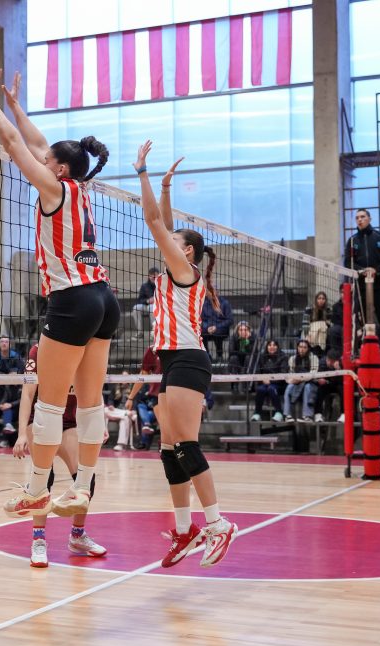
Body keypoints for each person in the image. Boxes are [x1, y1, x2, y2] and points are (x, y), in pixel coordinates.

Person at [0, 68, 119, 520]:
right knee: (91, 404)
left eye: (48, 161)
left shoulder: (52, 188)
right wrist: (16, 105)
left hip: (72, 301)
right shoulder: (79, 186)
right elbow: (39, 143)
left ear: (59, 170)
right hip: (103, 299)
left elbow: (15, 145)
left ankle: (36, 489)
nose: (41, 161)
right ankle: (80, 488)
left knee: (50, 403)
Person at [134, 141, 237, 568]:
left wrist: (141, 172)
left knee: (186, 445)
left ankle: (218, 524)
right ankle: (184, 530)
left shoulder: (183, 270)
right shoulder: (178, 267)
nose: (166, 242)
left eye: (175, 242)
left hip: (189, 359)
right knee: (168, 448)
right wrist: (165, 187)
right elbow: (165, 223)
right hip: (171, 362)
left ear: (187, 251)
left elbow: (154, 221)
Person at [13, 342, 107, 568]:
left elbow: (94, 388)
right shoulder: (39, 350)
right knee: (44, 479)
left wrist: (99, 421)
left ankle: (77, 535)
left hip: (69, 421)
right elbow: (27, 393)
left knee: (86, 479)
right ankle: (38, 540)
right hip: (41, 419)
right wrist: (21, 433)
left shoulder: (86, 347)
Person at [345, 208, 380, 353]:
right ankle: (363, 348)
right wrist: (363, 271)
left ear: (369, 219)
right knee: (362, 318)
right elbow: (348, 263)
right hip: (361, 285)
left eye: (362, 217)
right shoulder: (352, 241)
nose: (359, 220)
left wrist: (376, 269)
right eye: (357, 218)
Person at [125, 344, 163, 450]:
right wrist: (130, 398)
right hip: (158, 395)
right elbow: (143, 374)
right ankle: (165, 450)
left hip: (178, 392)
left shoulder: (183, 344)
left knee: (176, 430)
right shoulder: (153, 349)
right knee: (166, 428)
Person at [284, 339, 320, 422]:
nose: (302, 349)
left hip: (310, 382)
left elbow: (313, 373)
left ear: (308, 348)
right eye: (300, 347)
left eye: (304, 347)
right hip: (295, 382)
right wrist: (293, 380)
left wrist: (301, 379)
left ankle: (307, 416)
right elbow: (290, 373)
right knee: (289, 387)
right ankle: (287, 415)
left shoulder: (314, 358)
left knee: (308, 387)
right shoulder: (292, 359)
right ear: (297, 348)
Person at [251, 339, 286, 422]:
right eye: (270, 345)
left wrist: (271, 381)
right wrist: (262, 379)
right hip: (263, 383)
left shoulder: (283, 357)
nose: (272, 347)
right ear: (267, 347)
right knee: (260, 389)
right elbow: (258, 371)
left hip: (278, 384)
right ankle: (257, 413)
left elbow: (283, 373)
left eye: (274, 345)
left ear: (277, 347)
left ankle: (279, 412)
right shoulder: (262, 357)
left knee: (271, 388)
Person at [313, 349, 345, 422]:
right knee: (320, 389)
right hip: (326, 384)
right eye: (329, 360)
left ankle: (344, 414)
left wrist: (339, 370)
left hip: (337, 384)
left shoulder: (341, 364)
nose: (330, 363)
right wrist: (320, 380)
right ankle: (318, 414)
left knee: (343, 388)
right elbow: (318, 377)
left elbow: (342, 380)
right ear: (327, 358)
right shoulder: (322, 363)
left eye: (332, 361)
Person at [130, 266, 159, 340]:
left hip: (159, 307)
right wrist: (147, 301)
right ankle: (140, 332)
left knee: (151, 307)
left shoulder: (161, 285)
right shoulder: (144, 286)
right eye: (151, 275)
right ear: (149, 276)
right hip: (147, 305)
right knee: (136, 308)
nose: (153, 277)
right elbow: (140, 300)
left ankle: (154, 332)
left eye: (155, 275)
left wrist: (156, 300)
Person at [103, 387, 135, 452]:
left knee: (125, 418)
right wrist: (111, 405)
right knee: (104, 410)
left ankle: (121, 444)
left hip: (128, 410)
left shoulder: (132, 388)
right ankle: (124, 414)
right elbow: (110, 399)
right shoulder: (115, 387)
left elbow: (136, 401)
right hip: (117, 410)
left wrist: (134, 410)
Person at [307, 291, 331, 356]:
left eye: (323, 299)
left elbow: (329, 323)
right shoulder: (309, 309)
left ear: (325, 300)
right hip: (311, 330)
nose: (321, 300)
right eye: (319, 298)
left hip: (323, 331)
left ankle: (320, 349)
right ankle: (319, 348)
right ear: (316, 299)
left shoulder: (328, 310)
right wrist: (307, 335)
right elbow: (305, 324)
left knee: (322, 326)